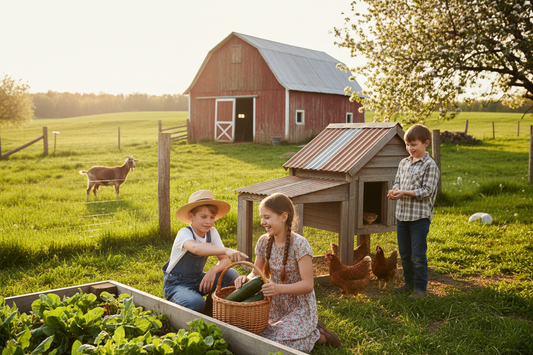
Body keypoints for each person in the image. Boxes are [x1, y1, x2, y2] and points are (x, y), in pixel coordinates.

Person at [234, 193, 340, 351]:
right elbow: (256, 273)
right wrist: (246, 278)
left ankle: (319, 335)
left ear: (284, 217)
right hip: (274, 306)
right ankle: (307, 332)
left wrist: (278, 288)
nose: (263, 222)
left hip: (299, 308)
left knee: (277, 344)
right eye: (262, 217)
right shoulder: (264, 241)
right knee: (258, 337)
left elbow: (308, 285)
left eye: (267, 217)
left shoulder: (300, 245)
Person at [162, 190, 248, 313]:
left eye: (212, 217)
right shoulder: (184, 233)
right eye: (203, 217)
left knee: (231, 275)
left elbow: (224, 261)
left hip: (198, 280)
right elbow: (196, 248)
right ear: (191, 216)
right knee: (195, 303)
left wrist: (213, 270)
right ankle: (183, 301)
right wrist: (226, 250)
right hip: (176, 284)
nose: (208, 221)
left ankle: (211, 310)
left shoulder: (212, 232)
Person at [388, 124, 440, 299]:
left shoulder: (430, 165)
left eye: (414, 145)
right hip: (402, 216)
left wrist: (405, 193)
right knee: (405, 253)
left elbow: (427, 191)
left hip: (419, 217)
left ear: (426, 143)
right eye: (407, 145)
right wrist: (395, 191)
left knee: (418, 254)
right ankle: (409, 283)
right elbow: (397, 182)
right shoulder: (403, 163)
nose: (410, 149)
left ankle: (420, 288)